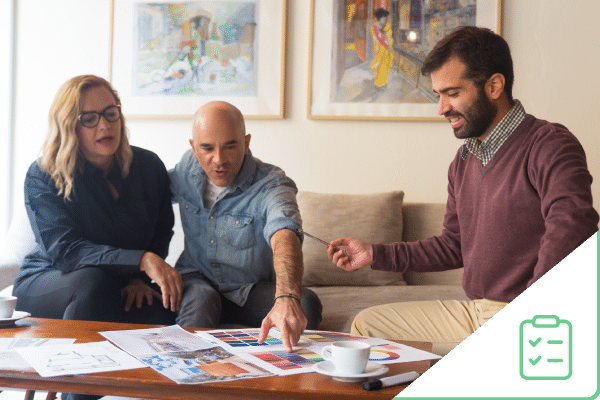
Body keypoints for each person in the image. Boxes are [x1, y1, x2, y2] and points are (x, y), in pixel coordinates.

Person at [327, 26, 599, 356]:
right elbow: (453, 245)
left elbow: (573, 228)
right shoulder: (464, 160)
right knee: (367, 326)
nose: (441, 107)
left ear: (495, 86)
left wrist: (534, 314)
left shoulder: (550, 145)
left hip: (532, 314)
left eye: (452, 93)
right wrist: (374, 254)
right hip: (476, 311)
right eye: (439, 94)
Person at [13, 76, 183, 391]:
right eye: (89, 118)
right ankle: (75, 395)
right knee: (93, 283)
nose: (104, 125)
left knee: (165, 307)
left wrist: (139, 278)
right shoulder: (43, 174)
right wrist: (141, 261)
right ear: (69, 126)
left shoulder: (148, 166)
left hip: (122, 282)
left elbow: (161, 229)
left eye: (110, 112)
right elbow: (67, 252)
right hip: (52, 279)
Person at [170, 101, 322, 351]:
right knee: (202, 300)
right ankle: (182, 381)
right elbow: (147, 202)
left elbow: (284, 233)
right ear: (193, 148)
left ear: (246, 142)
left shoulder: (271, 183)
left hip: (249, 289)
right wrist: (140, 265)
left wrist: (287, 296)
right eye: (207, 148)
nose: (218, 160)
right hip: (197, 280)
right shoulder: (187, 169)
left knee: (306, 303)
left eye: (230, 146)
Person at [369, 8, 393, 88]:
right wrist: (376, 47)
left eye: (385, 18)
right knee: (379, 65)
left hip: (386, 49)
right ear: (379, 19)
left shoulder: (387, 26)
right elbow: (375, 38)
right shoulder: (374, 27)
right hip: (379, 48)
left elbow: (389, 37)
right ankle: (379, 82)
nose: (385, 20)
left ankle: (383, 82)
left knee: (385, 66)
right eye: (383, 19)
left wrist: (387, 38)